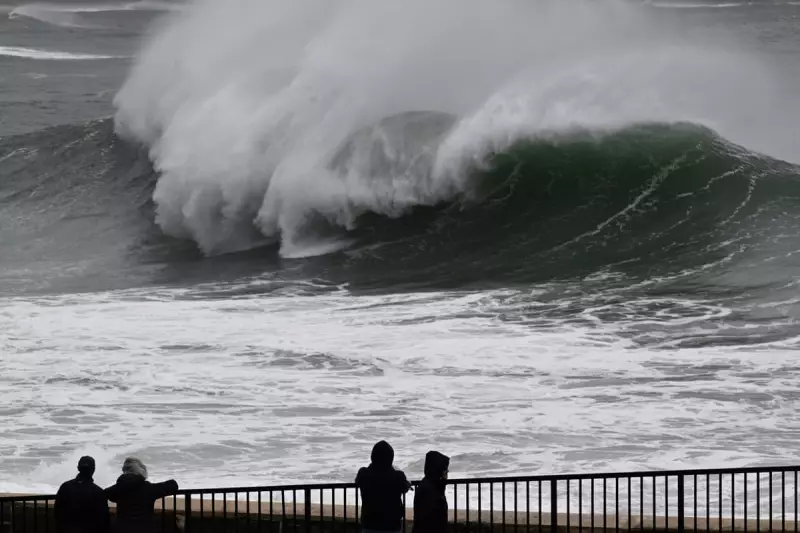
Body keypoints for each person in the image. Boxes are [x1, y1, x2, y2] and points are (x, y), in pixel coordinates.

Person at [104, 457, 179, 533]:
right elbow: (173, 485)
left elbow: (105, 493)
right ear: (141, 471)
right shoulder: (148, 488)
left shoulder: (117, 489)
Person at [355, 440, 411, 533]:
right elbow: (404, 488)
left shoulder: (364, 473)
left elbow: (358, 481)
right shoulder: (398, 476)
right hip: (392, 525)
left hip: (370, 524)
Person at [54, 456, 111, 533]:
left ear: (78, 468)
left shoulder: (65, 487)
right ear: (93, 470)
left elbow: (57, 512)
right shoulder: (98, 492)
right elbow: (104, 520)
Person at [412, 451, 450, 533]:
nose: (447, 472)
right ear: (438, 470)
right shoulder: (429, 489)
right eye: (445, 469)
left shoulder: (431, 485)